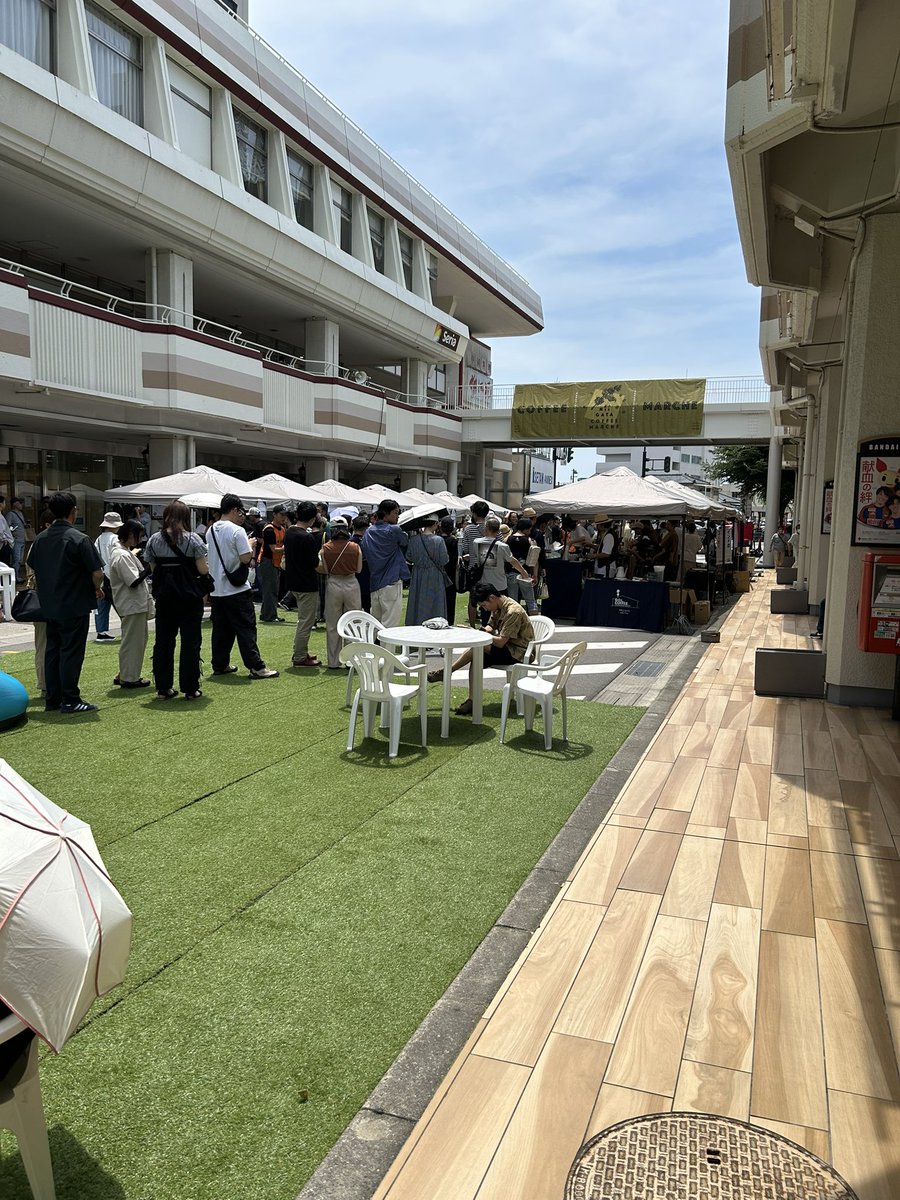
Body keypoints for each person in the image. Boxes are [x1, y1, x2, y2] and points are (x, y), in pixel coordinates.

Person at [28, 491, 104, 713]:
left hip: (49, 604)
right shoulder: (79, 538)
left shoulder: (41, 539)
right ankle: (70, 698)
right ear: (74, 511)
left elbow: (33, 567)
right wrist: (96, 589)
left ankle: (53, 698)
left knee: (53, 650)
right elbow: (97, 573)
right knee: (71, 651)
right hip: (74, 603)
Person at [429, 583, 534, 716]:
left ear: (491, 598)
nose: (484, 609)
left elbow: (501, 642)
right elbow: (491, 626)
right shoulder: (499, 605)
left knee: (478, 648)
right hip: (508, 648)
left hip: (519, 653)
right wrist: (480, 631)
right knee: (477, 654)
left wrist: (477, 633)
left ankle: (449, 672)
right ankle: (471, 699)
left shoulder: (513, 611)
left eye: (484, 605)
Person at [206, 495, 278, 680]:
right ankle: (256, 667)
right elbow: (246, 558)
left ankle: (220, 664)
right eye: (241, 511)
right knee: (246, 628)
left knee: (221, 630)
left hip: (217, 589)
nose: (243, 515)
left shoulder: (210, 530)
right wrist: (251, 544)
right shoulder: (237, 531)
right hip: (236, 589)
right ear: (235, 510)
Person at [143, 501, 210, 699]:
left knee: (163, 641)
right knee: (190, 642)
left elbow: (153, 568)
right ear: (186, 517)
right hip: (189, 598)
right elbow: (203, 569)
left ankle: (163, 687)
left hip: (165, 597)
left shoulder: (154, 539)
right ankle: (190, 688)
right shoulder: (194, 539)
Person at [107, 518, 153, 689]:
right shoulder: (122, 555)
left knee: (133, 640)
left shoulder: (123, 552)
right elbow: (133, 581)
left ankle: (125, 673)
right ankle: (129, 677)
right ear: (131, 535)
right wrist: (150, 567)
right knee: (134, 641)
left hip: (132, 604)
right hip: (132, 604)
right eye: (139, 536)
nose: (139, 540)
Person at [283, 499, 321, 667]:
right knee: (306, 622)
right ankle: (299, 656)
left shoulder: (289, 532)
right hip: (307, 584)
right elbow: (314, 563)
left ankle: (301, 652)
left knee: (303, 621)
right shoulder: (307, 537)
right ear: (312, 519)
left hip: (293, 582)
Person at [321, 517, 362, 669]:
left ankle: (333, 661)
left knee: (332, 624)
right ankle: (351, 660)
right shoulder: (354, 547)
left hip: (333, 583)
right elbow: (359, 569)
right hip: (351, 583)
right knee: (352, 623)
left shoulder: (326, 548)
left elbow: (325, 570)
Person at [362, 500, 409, 627]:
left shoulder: (369, 531)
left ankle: (371, 647)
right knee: (389, 625)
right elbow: (404, 541)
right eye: (395, 513)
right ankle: (385, 648)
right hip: (391, 581)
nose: (398, 516)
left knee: (374, 623)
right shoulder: (394, 530)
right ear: (385, 513)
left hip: (375, 582)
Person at [474, 515, 531, 599]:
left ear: (486, 528)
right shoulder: (503, 546)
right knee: (501, 609)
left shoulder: (476, 542)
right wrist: (523, 572)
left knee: (485, 610)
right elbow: (512, 561)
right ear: (498, 531)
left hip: (484, 583)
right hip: (499, 584)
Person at [405, 517, 449, 624]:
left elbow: (409, 557)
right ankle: (435, 624)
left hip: (418, 574)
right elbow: (444, 560)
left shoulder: (414, 539)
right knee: (435, 603)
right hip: (434, 574)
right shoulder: (438, 540)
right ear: (434, 523)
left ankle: (416, 623)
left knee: (417, 600)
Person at [257, 504, 288, 623]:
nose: (283, 517)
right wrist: (287, 548)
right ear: (274, 515)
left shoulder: (282, 529)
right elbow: (274, 549)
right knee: (270, 590)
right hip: (267, 561)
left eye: (285, 515)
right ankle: (269, 615)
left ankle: (268, 614)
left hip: (276, 562)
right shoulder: (269, 529)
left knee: (273, 589)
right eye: (281, 515)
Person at [460, 500, 490, 625]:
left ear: (474, 513)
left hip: (474, 568)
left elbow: (465, 548)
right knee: (489, 598)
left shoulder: (469, 529)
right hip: (490, 566)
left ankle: (472, 626)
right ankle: (487, 624)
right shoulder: (492, 527)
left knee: (473, 599)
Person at [94, 512, 121, 642]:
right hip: (114, 576)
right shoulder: (115, 539)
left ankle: (101, 632)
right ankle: (127, 628)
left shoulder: (98, 539)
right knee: (121, 603)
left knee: (102, 605)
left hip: (102, 576)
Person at [507, 518, 539, 612]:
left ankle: (514, 623)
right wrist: (535, 575)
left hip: (511, 573)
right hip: (525, 574)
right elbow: (534, 561)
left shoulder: (508, 539)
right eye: (529, 529)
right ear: (526, 529)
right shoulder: (530, 541)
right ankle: (535, 623)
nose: (530, 531)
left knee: (513, 602)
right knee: (531, 601)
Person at [439, 514, 459, 623]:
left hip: (439, 572)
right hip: (450, 573)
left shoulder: (437, 539)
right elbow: (454, 560)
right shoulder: (453, 540)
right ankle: (450, 621)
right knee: (450, 601)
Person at [351, 513, 372, 612]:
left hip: (353, 576)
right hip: (367, 574)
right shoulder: (369, 541)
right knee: (367, 605)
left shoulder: (350, 543)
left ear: (353, 527)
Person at [6, 497, 28, 582]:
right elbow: (7, 527)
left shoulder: (21, 513)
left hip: (22, 539)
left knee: (20, 560)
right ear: (15, 504)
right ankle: (14, 578)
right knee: (16, 559)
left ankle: (17, 576)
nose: (22, 505)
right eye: (20, 503)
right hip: (15, 540)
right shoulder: (10, 514)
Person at [0, 495, 14, 569]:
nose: (5, 505)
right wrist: (5, 540)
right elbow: (1, 532)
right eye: (4, 503)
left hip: (3, 543)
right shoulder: (0, 517)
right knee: (4, 565)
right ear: (1, 504)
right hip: (3, 545)